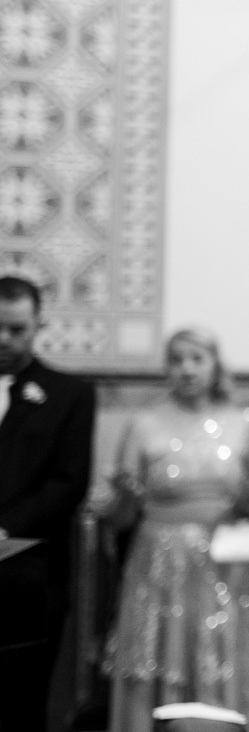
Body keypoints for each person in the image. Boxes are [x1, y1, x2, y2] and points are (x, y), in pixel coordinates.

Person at [100, 327, 249, 732]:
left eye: (197, 358)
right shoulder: (144, 423)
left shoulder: (242, 422)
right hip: (158, 559)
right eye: (176, 360)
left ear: (216, 365)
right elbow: (121, 514)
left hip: (225, 564)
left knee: (221, 655)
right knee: (154, 653)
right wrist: (122, 496)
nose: (187, 369)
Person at [0, 275, 96, 732]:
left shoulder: (69, 395)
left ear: (39, 325)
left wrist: (3, 528)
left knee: (20, 702)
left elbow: (68, 483)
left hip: (27, 575)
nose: (4, 339)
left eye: (17, 329)